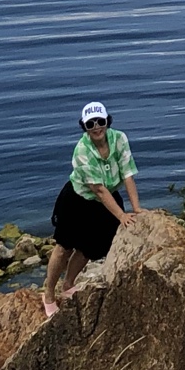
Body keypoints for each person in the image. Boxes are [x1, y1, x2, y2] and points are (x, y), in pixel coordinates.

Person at [41, 102, 141, 319]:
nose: (96, 127)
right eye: (90, 124)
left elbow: (128, 174)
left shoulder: (119, 139)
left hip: (107, 198)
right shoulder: (82, 150)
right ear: (84, 126)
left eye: (100, 122)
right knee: (64, 248)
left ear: (108, 121)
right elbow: (98, 190)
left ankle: (68, 284)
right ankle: (48, 294)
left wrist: (137, 209)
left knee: (90, 248)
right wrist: (121, 216)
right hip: (78, 200)